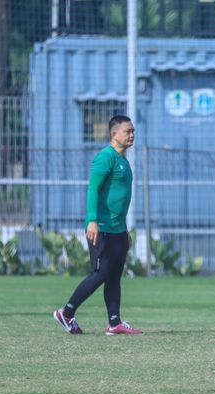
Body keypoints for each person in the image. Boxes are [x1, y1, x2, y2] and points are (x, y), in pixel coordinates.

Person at [53, 115, 142, 336]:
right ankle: (66, 313)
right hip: (101, 227)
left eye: (133, 131)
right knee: (101, 273)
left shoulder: (123, 161)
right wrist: (92, 220)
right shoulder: (106, 157)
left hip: (117, 229)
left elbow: (119, 199)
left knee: (114, 275)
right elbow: (93, 189)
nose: (131, 135)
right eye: (127, 131)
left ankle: (114, 323)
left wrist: (124, 230)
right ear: (114, 134)